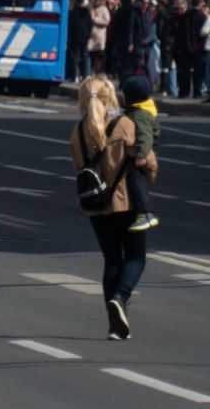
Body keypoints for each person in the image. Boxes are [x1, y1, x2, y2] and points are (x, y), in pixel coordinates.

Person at [72, 75, 148, 340]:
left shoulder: (79, 131)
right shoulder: (125, 125)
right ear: (111, 98)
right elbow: (147, 161)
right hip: (126, 202)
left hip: (95, 205)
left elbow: (79, 166)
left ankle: (115, 325)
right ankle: (121, 297)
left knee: (112, 259)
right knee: (137, 257)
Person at [118, 76, 160, 233]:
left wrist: (141, 155)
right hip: (141, 148)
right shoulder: (140, 109)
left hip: (142, 150)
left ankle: (146, 213)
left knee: (134, 179)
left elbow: (145, 136)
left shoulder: (140, 114)